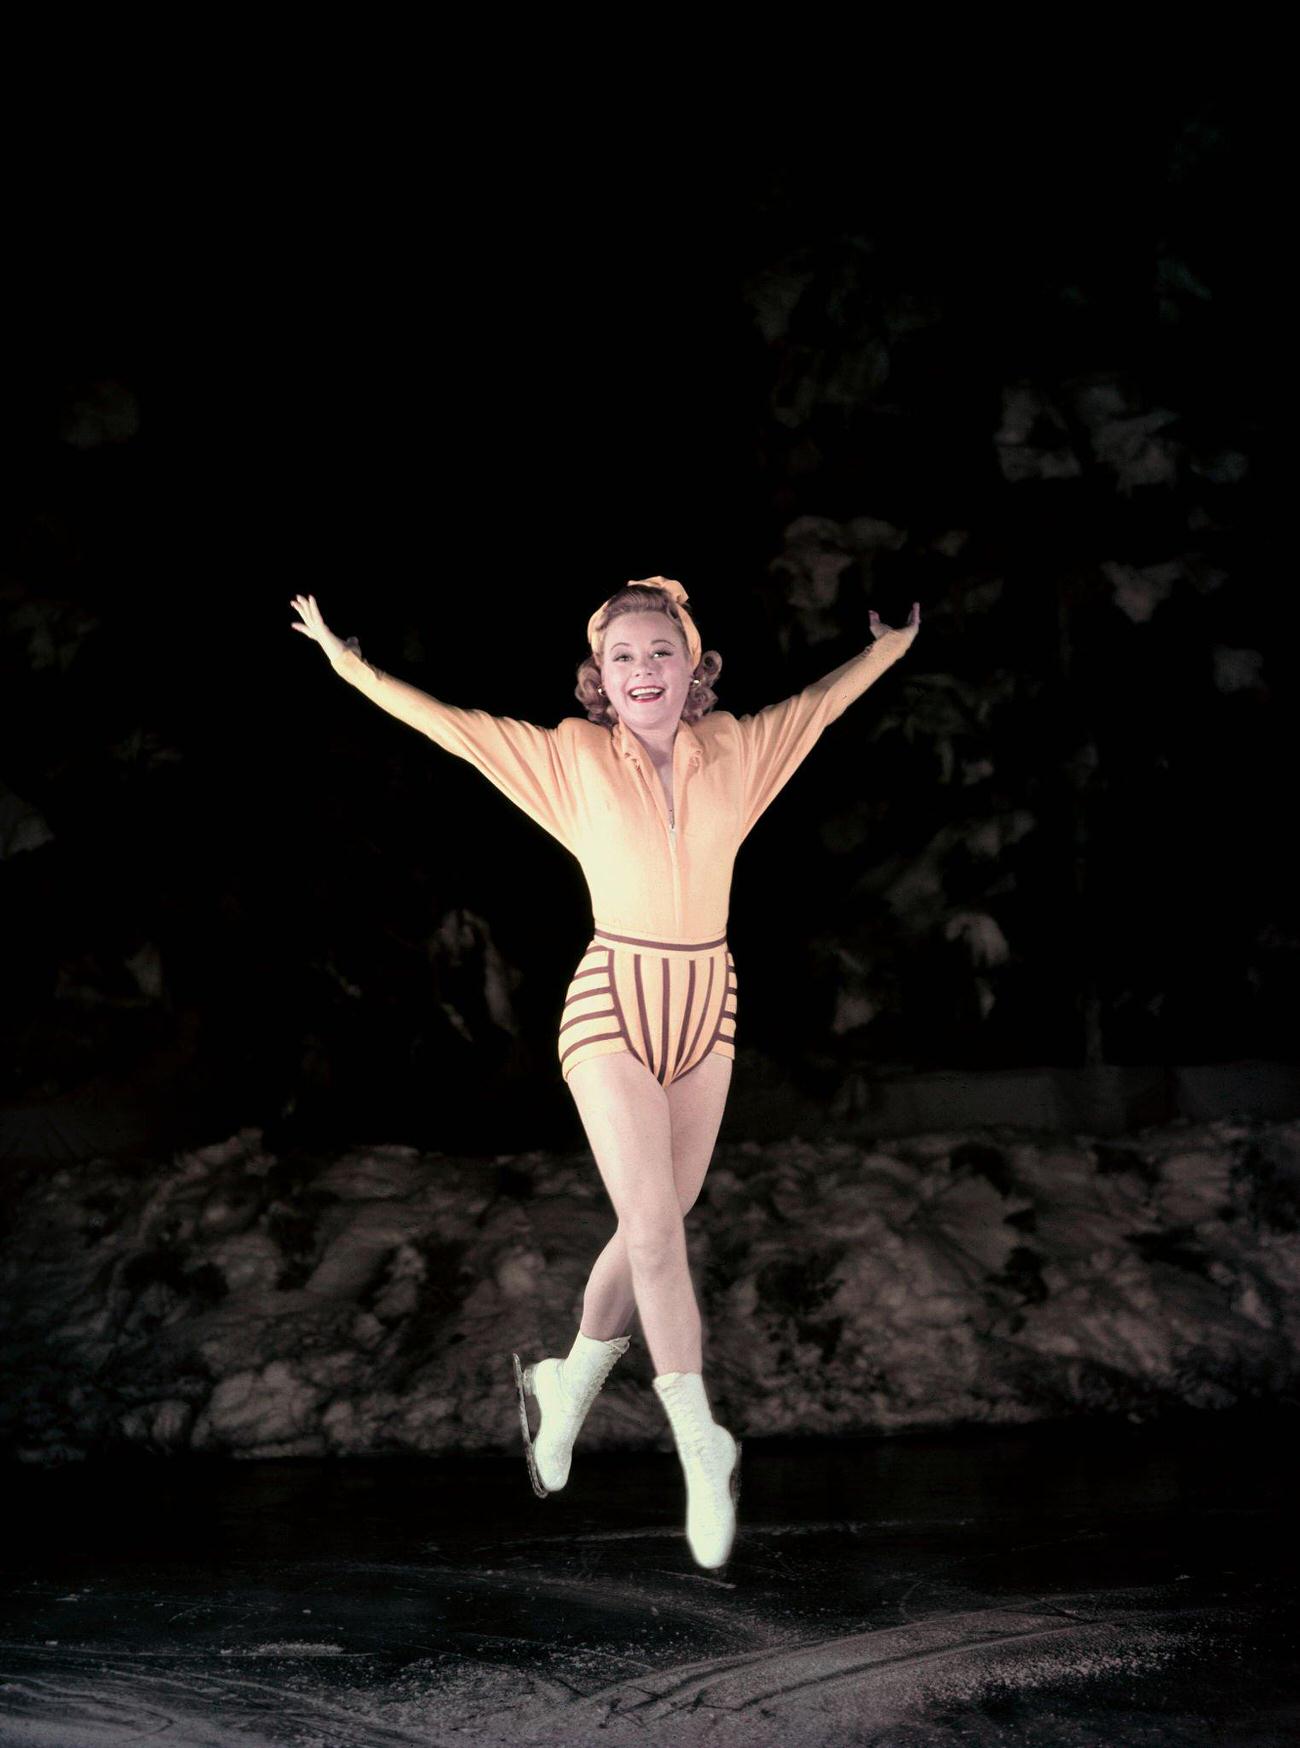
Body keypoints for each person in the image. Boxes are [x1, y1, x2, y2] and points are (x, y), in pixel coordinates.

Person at [290, 577, 920, 1570]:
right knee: (659, 1227)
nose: (641, 671)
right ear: (599, 676)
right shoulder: (570, 757)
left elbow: (820, 707)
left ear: (692, 665)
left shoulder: (739, 752)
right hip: (612, 1003)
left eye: (659, 653)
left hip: (706, 1008)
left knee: (651, 1222)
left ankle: (564, 1382)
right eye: (621, 657)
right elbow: (452, 728)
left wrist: (887, 650)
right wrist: (347, 662)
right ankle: (700, 1439)